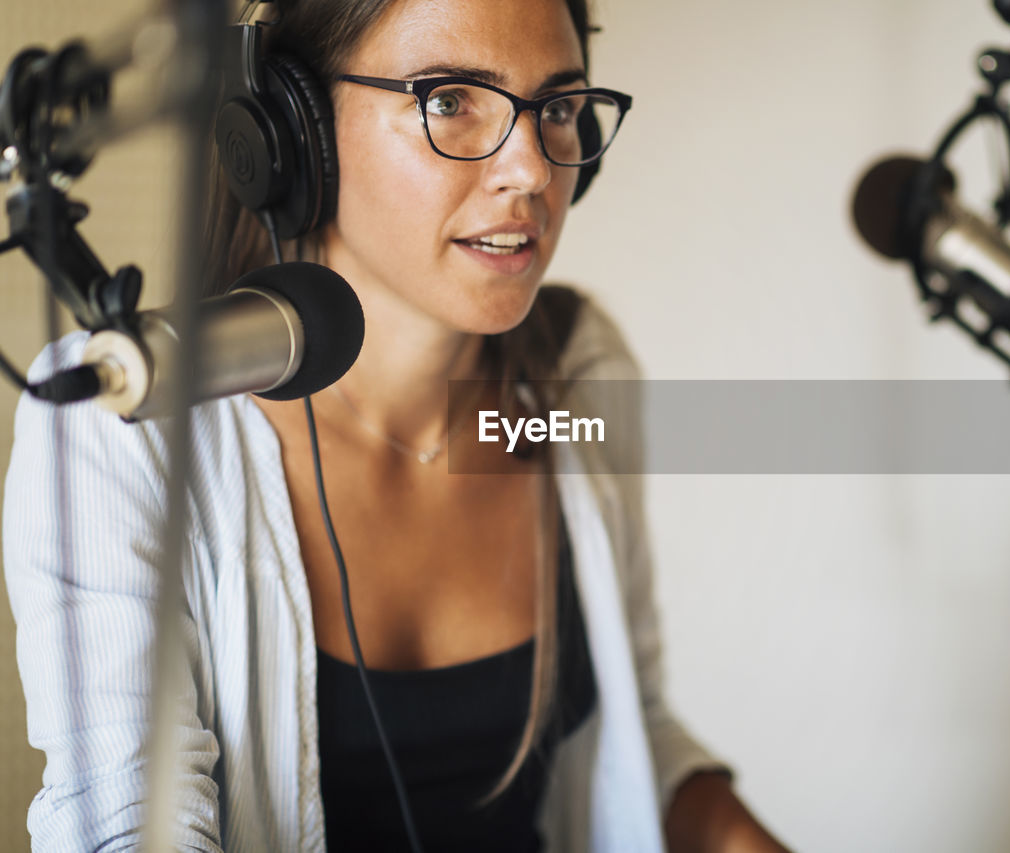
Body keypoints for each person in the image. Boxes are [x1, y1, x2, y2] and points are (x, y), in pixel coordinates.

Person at [4, 0, 791, 850]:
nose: (530, 170)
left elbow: (632, 729)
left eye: (557, 108)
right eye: (449, 99)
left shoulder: (581, 374)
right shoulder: (124, 418)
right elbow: (125, 824)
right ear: (291, 131)